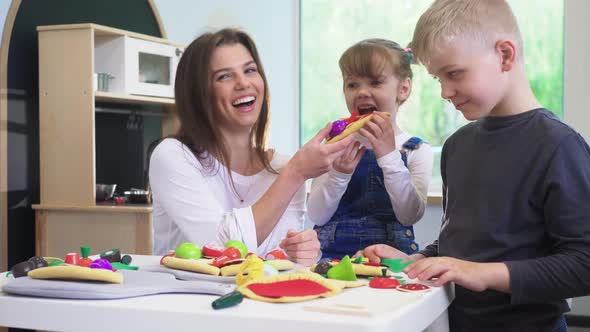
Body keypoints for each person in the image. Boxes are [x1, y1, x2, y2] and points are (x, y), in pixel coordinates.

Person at [357, 0, 590, 330]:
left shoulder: (559, 146)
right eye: (438, 78)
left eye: (453, 73)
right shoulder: (457, 146)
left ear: (505, 55)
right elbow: (459, 242)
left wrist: (480, 273)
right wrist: (416, 261)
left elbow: (584, 264)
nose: (444, 92)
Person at [149, 28, 354, 266]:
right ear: (198, 94)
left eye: (250, 70)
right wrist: (296, 172)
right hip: (184, 301)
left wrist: (301, 253)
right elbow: (223, 250)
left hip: (257, 302)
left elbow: (271, 264)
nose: (243, 83)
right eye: (224, 76)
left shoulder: (283, 167)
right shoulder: (173, 156)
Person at [307, 38, 433, 259]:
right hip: (334, 261)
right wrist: (339, 174)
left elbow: (409, 215)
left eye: (375, 83)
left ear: (403, 89)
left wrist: (388, 157)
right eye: (352, 84)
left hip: (392, 263)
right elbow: (317, 214)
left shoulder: (416, 149)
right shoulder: (334, 145)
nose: (362, 92)